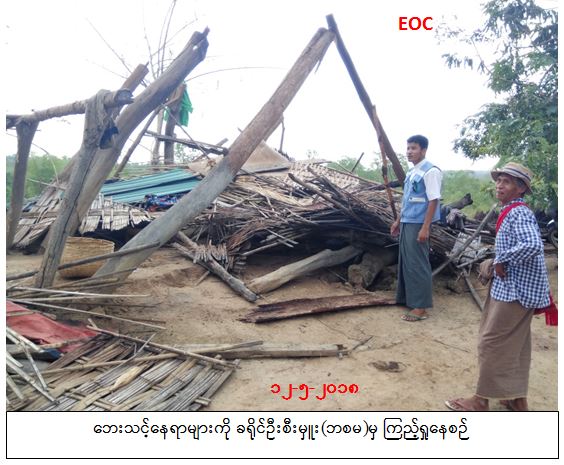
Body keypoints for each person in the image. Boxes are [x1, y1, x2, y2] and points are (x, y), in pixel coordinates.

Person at [445, 162, 551, 411]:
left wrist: (499, 260)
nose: (499, 185)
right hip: (516, 287)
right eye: (499, 180)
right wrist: (497, 259)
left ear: (521, 188)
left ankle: (481, 400)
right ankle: (516, 398)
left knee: (490, 341)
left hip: (515, 290)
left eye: (507, 181)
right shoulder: (513, 210)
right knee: (517, 343)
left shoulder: (518, 213)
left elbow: (532, 245)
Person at [390, 135, 442, 321]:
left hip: (418, 224)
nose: (409, 152)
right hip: (407, 221)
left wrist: (425, 228)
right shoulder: (412, 172)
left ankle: (420, 308)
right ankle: (408, 299)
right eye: (408, 148)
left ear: (424, 150)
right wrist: (398, 221)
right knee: (407, 261)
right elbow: (407, 200)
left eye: (414, 148)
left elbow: (433, 201)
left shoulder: (431, 172)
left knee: (418, 263)